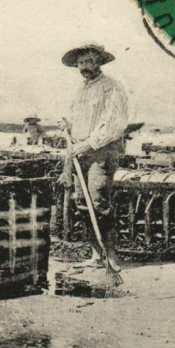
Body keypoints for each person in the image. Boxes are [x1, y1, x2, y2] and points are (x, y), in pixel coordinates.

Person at [57, 44, 129, 267]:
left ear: (99, 62)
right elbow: (78, 119)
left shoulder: (112, 88)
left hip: (102, 152)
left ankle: (111, 256)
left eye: (89, 61)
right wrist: (67, 125)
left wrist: (89, 144)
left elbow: (114, 124)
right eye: (81, 63)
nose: (85, 67)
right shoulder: (81, 89)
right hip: (80, 152)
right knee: (81, 202)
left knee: (98, 201)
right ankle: (96, 254)